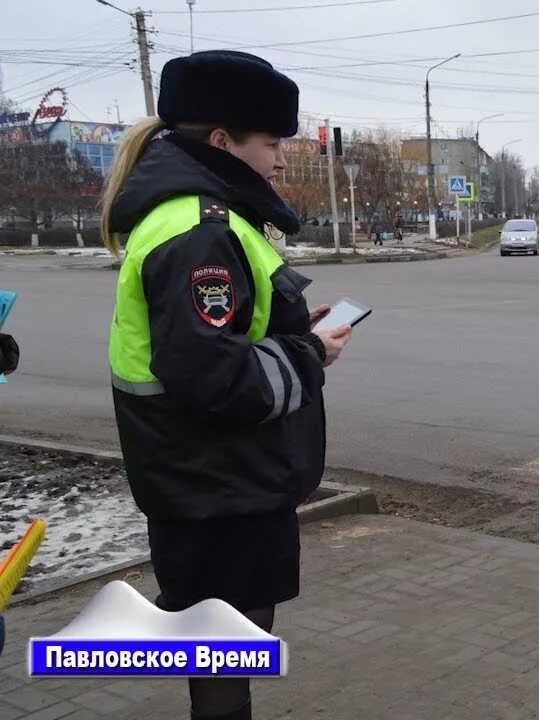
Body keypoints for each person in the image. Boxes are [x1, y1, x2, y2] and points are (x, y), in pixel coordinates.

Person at [100, 50, 353, 720]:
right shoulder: (197, 230)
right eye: (270, 143)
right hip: (216, 488)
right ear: (221, 141)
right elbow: (212, 379)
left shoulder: (206, 218)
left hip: (214, 482)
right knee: (224, 651)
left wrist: (295, 333)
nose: (279, 159)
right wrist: (309, 352)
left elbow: (220, 339)